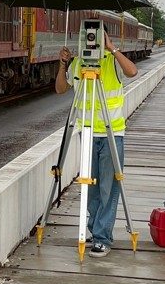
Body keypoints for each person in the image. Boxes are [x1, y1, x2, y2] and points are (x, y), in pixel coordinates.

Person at [55, 23, 138, 258]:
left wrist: (112, 49)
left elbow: (132, 72)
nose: (92, 41)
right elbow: (60, 89)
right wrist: (63, 64)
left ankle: (102, 237)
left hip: (112, 135)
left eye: (96, 37)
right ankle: (94, 230)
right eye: (89, 37)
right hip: (88, 132)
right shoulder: (79, 63)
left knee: (108, 188)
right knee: (90, 187)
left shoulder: (112, 62)